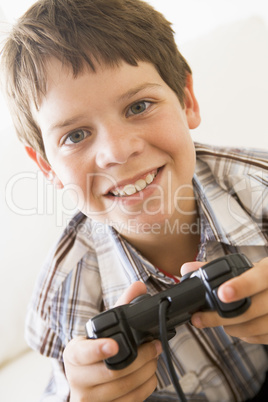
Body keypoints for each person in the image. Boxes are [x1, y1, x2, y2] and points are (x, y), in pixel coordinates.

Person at [1, 0, 268, 400]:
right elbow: (68, 386)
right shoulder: (66, 288)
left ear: (187, 99)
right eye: (75, 135)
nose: (118, 151)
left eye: (138, 106)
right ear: (47, 166)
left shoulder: (258, 186)